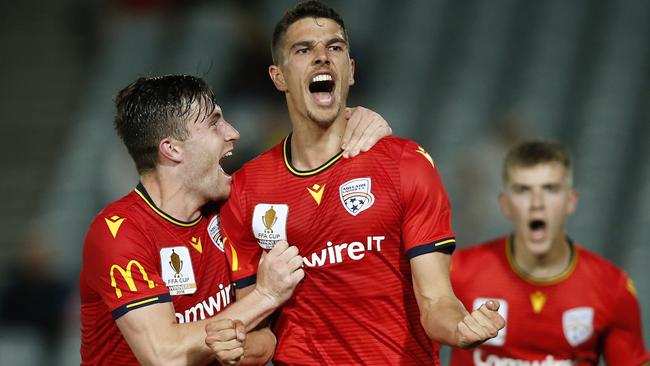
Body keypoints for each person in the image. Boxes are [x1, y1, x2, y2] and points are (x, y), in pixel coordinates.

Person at [212, 1, 505, 365]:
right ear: (279, 77)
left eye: (334, 47)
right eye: (304, 50)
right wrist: (237, 348)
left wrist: (461, 327)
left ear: (349, 71)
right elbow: (261, 334)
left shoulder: (406, 164)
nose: (322, 57)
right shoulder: (245, 190)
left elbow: (436, 302)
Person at [79, 74, 390, 365]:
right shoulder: (119, 233)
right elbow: (163, 355)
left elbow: (266, 340)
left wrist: (362, 124)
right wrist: (265, 296)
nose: (233, 133)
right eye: (215, 123)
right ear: (172, 149)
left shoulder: (233, 208)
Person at [449, 140, 650, 365]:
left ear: (570, 201)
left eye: (550, 189)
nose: (537, 203)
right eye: (523, 190)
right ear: (505, 204)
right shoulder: (458, 273)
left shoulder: (612, 288)